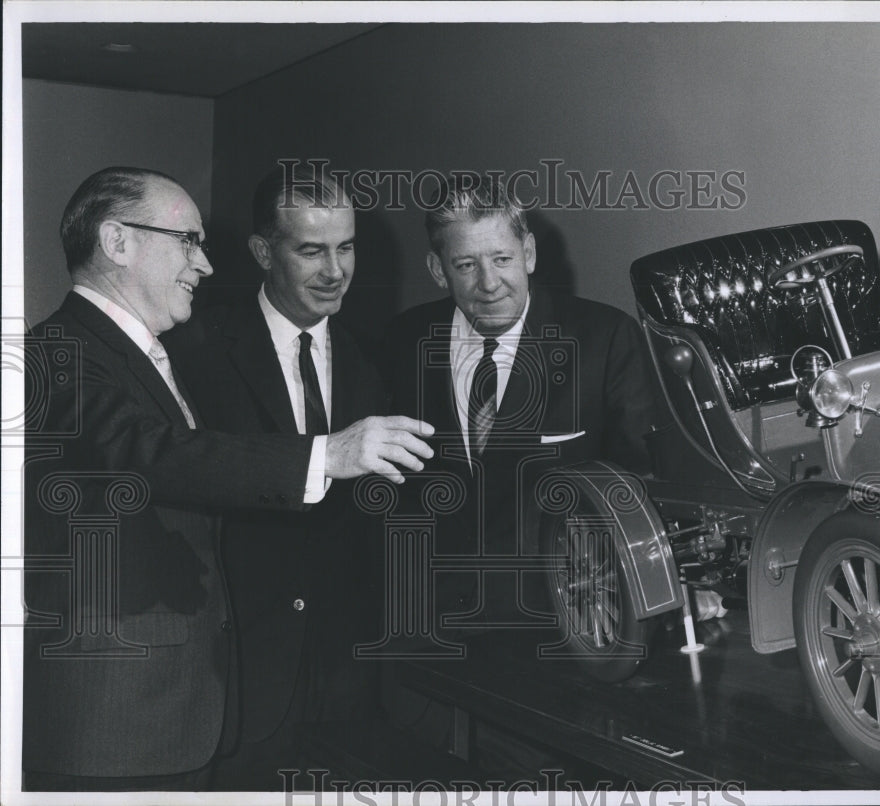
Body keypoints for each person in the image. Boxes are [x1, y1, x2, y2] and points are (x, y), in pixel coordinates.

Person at [22, 166, 432, 791]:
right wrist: (326, 456)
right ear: (117, 241)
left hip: (187, 711)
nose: (205, 264)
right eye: (187, 240)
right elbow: (152, 453)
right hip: (114, 724)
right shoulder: (55, 352)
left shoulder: (143, 355)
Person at [166, 164, 384, 789]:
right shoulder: (194, 350)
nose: (335, 270)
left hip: (349, 676)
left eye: (345, 248)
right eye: (311, 250)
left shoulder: (377, 355)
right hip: (236, 676)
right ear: (264, 251)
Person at [385, 176, 658, 632]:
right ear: (437, 269)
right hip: (432, 630)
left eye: (502, 259)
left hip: (567, 625)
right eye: (467, 264)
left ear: (528, 253)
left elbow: (640, 487)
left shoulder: (605, 338)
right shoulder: (401, 341)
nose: (489, 283)